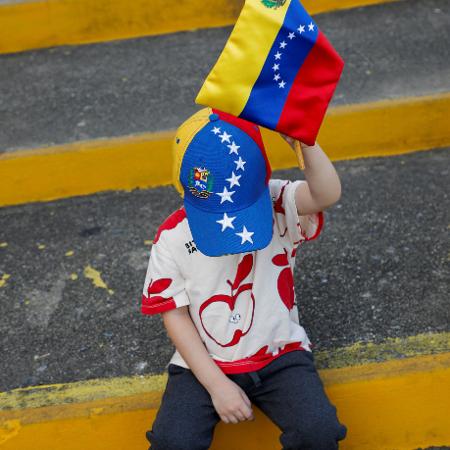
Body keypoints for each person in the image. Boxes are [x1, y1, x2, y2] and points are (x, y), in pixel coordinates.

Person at [141, 108, 347, 449]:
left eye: (242, 213)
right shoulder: (172, 237)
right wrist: (217, 386)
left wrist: (305, 144)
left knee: (319, 431)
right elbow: (174, 314)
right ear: (183, 187)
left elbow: (326, 194)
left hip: (280, 354)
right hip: (203, 365)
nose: (233, 227)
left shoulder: (278, 202)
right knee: (172, 441)